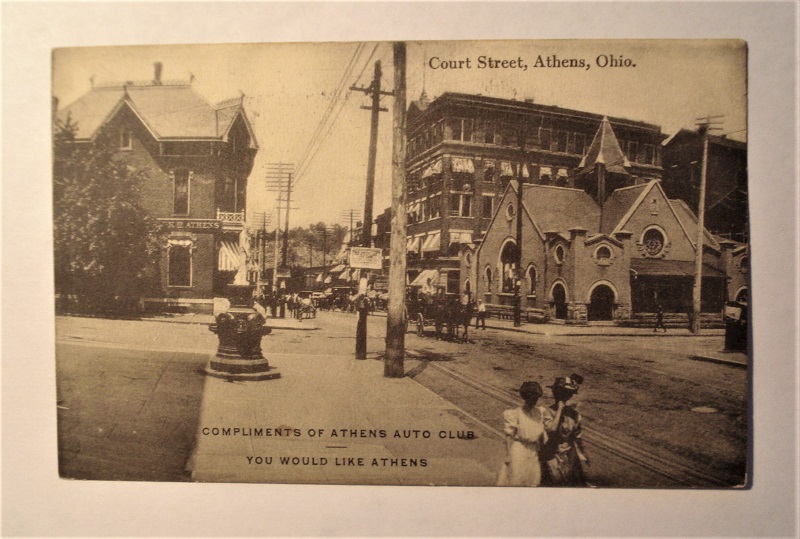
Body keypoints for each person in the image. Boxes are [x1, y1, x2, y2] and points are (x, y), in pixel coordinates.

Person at [541, 374, 591, 486]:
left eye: (564, 394)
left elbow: (577, 437)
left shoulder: (574, 414)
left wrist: (583, 452)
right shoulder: (547, 412)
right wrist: (559, 410)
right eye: (558, 393)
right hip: (552, 455)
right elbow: (552, 430)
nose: (559, 397)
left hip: (570, 455)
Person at [497, 381, 549, 487]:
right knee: (516, 480)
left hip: (533, 451)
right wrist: (508, 456)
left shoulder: (540, 412)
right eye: (531, 399)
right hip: (519, 450)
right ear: (525, 398)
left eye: (536, 399)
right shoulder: (515, 413)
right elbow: (509, 436)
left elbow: (545, 431)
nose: (534, 401)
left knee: (533, 481)